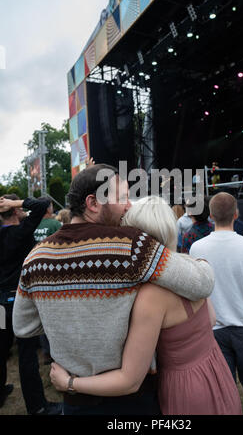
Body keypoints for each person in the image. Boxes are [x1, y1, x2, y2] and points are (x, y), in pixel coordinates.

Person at [13, 164, 214, 416]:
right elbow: (202, 283)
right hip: (133, 403)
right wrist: (200, 261)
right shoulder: (132, 246)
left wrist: (64, 318)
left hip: (74, 401)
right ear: (93, 203)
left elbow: (23, 326)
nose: (129, 205)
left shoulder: (36, 257)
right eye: (122, 198)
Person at [50, 196, 242, 415]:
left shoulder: (151, 295)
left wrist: (69, 383)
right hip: (213, 371)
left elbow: (129, 380)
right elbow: (211, 319)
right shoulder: (187, 268)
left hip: (186, 389)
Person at [189, 192, 243, 415]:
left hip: (216, 330)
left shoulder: (197, 248)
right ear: (235, 214)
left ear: (212, 216)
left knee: (223, 396)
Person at [0, 194, 62, 415]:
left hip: (1, 303)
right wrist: (15, 203)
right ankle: (37, 407)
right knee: (27, 353)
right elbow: (43, 204)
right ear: (15, 211)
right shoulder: (21, 231)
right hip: (18, 301)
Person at [34, 197, 63, 365]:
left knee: (40, 313)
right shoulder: (55, 225)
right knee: (54, 314)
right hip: (54, 272)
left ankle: (45, 351)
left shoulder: (32, 224)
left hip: (36, 272)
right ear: (48, 209)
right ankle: (55, 352)